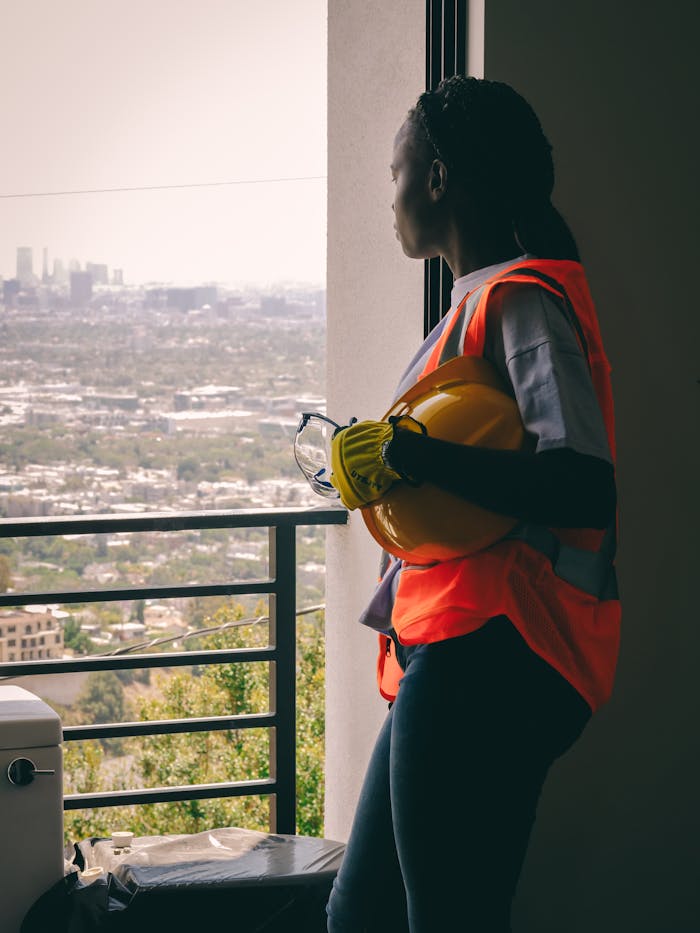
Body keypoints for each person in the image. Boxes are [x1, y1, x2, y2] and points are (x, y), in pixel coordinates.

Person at [325, 76, 621, 933]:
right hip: (455, 647)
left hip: (492, 648)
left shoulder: (520, 299)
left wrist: (410, 452)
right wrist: (386, 472)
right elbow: (472, 474)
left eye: (397, 172)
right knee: (365, 914)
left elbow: (582, 482)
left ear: (440, 178)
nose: (391, 196)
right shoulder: (477, 301)